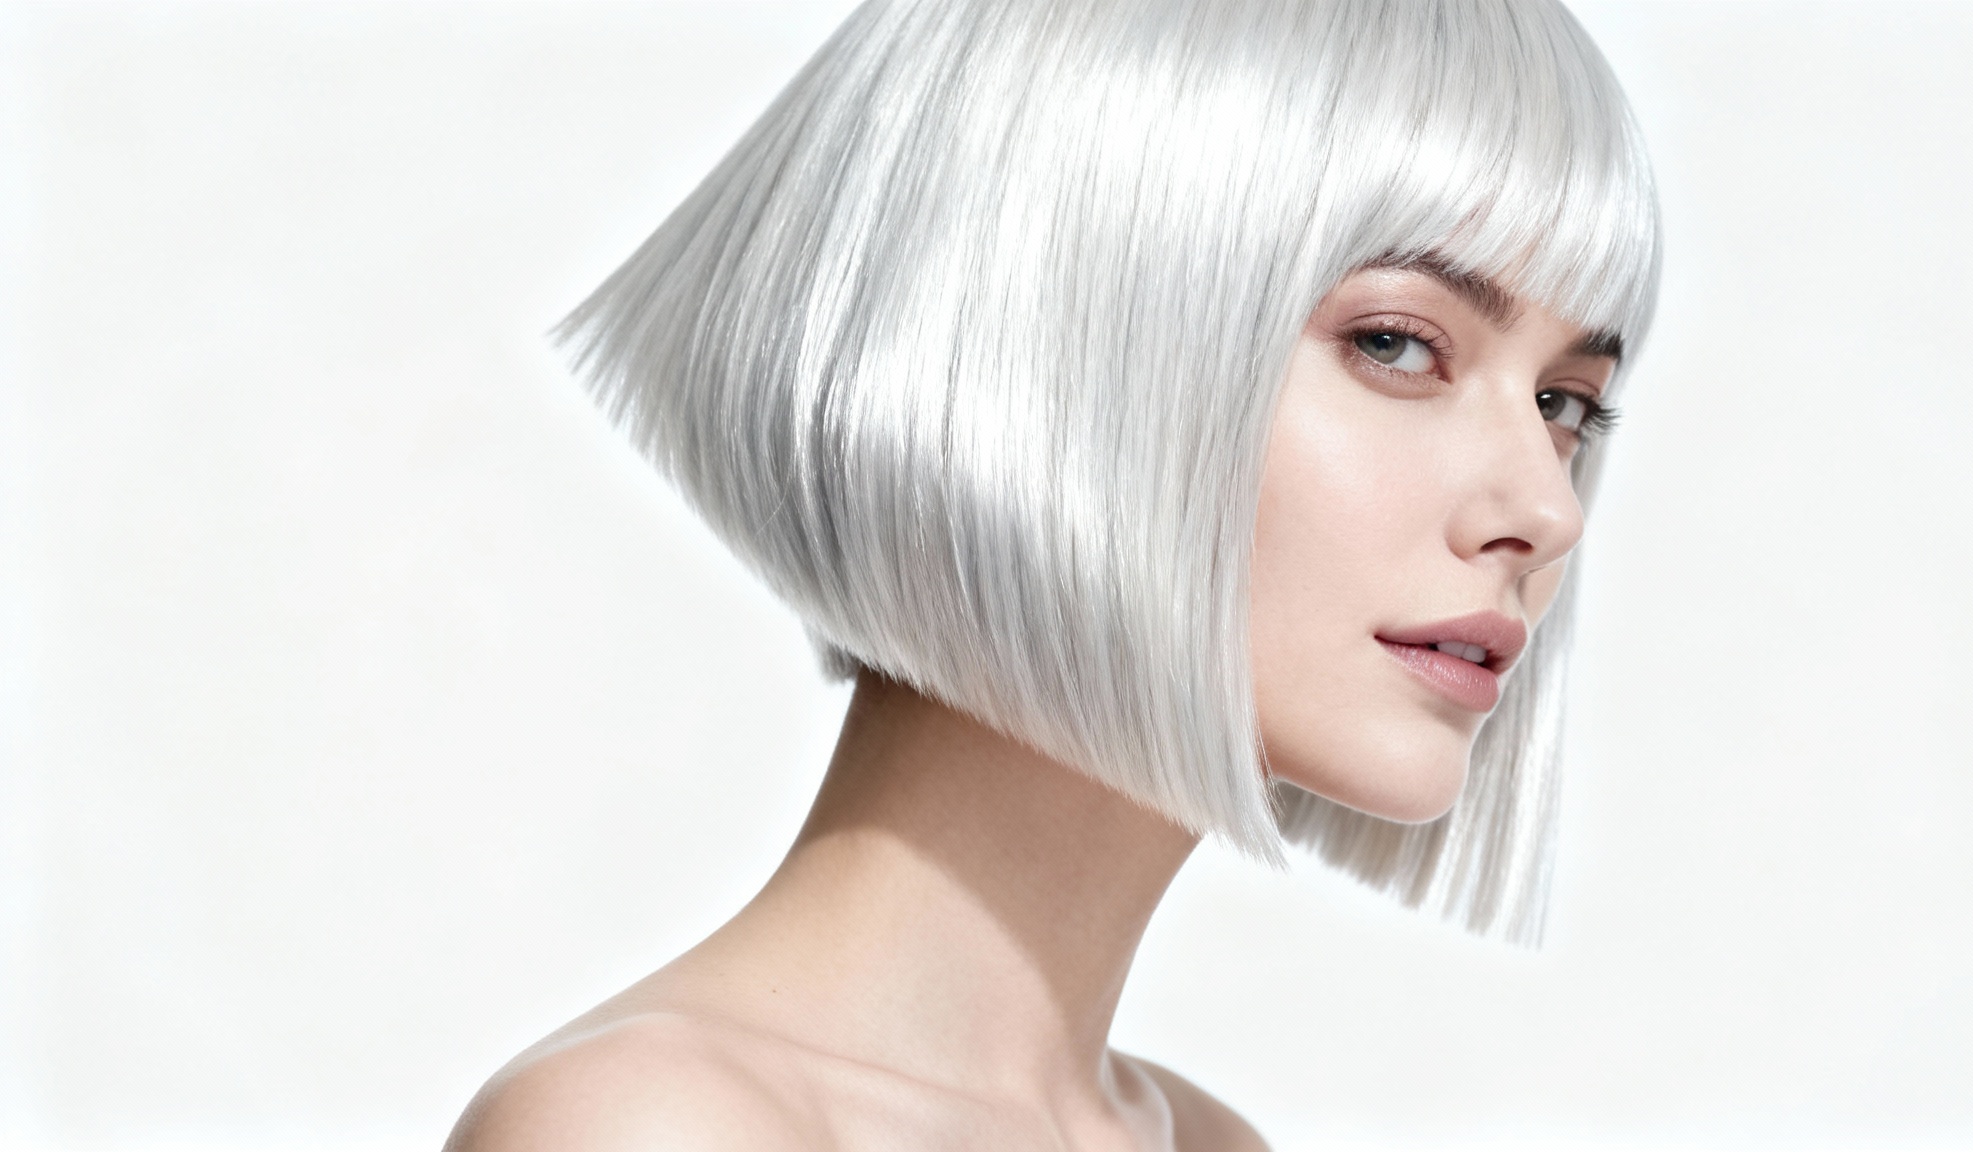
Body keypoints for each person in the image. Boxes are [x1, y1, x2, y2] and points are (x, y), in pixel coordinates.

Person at [446, 0, 1660, 1146]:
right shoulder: (655, 1130)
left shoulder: (1205, 1140)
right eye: (1395, 344)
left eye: (1565, 405)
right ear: (1060, 343)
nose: (1545, 508)